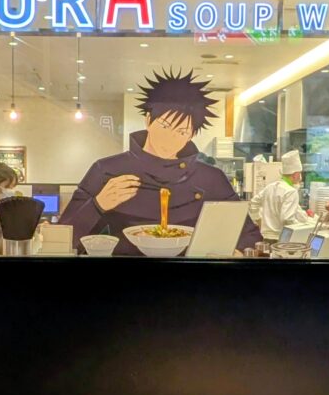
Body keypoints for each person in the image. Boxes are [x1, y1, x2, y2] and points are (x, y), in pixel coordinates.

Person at [62, 69, 263, 256]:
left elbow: (250, 237)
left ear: (191, 135)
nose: (170, 139)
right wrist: (98, 204)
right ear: (148, 120)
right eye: (165, 126)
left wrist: (235, 253)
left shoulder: (211, 178)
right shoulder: (107, 170)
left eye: (182, 132)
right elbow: (64, 239)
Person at [249, 150, 313, 241]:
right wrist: (304, 229)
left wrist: (259, 220)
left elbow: (253, 203)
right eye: (300, 174)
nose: (300, 178)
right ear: (295, 175)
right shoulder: (291, 192)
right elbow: (287, 219)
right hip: (280, 239)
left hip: (265, 238)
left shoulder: (270, 187)